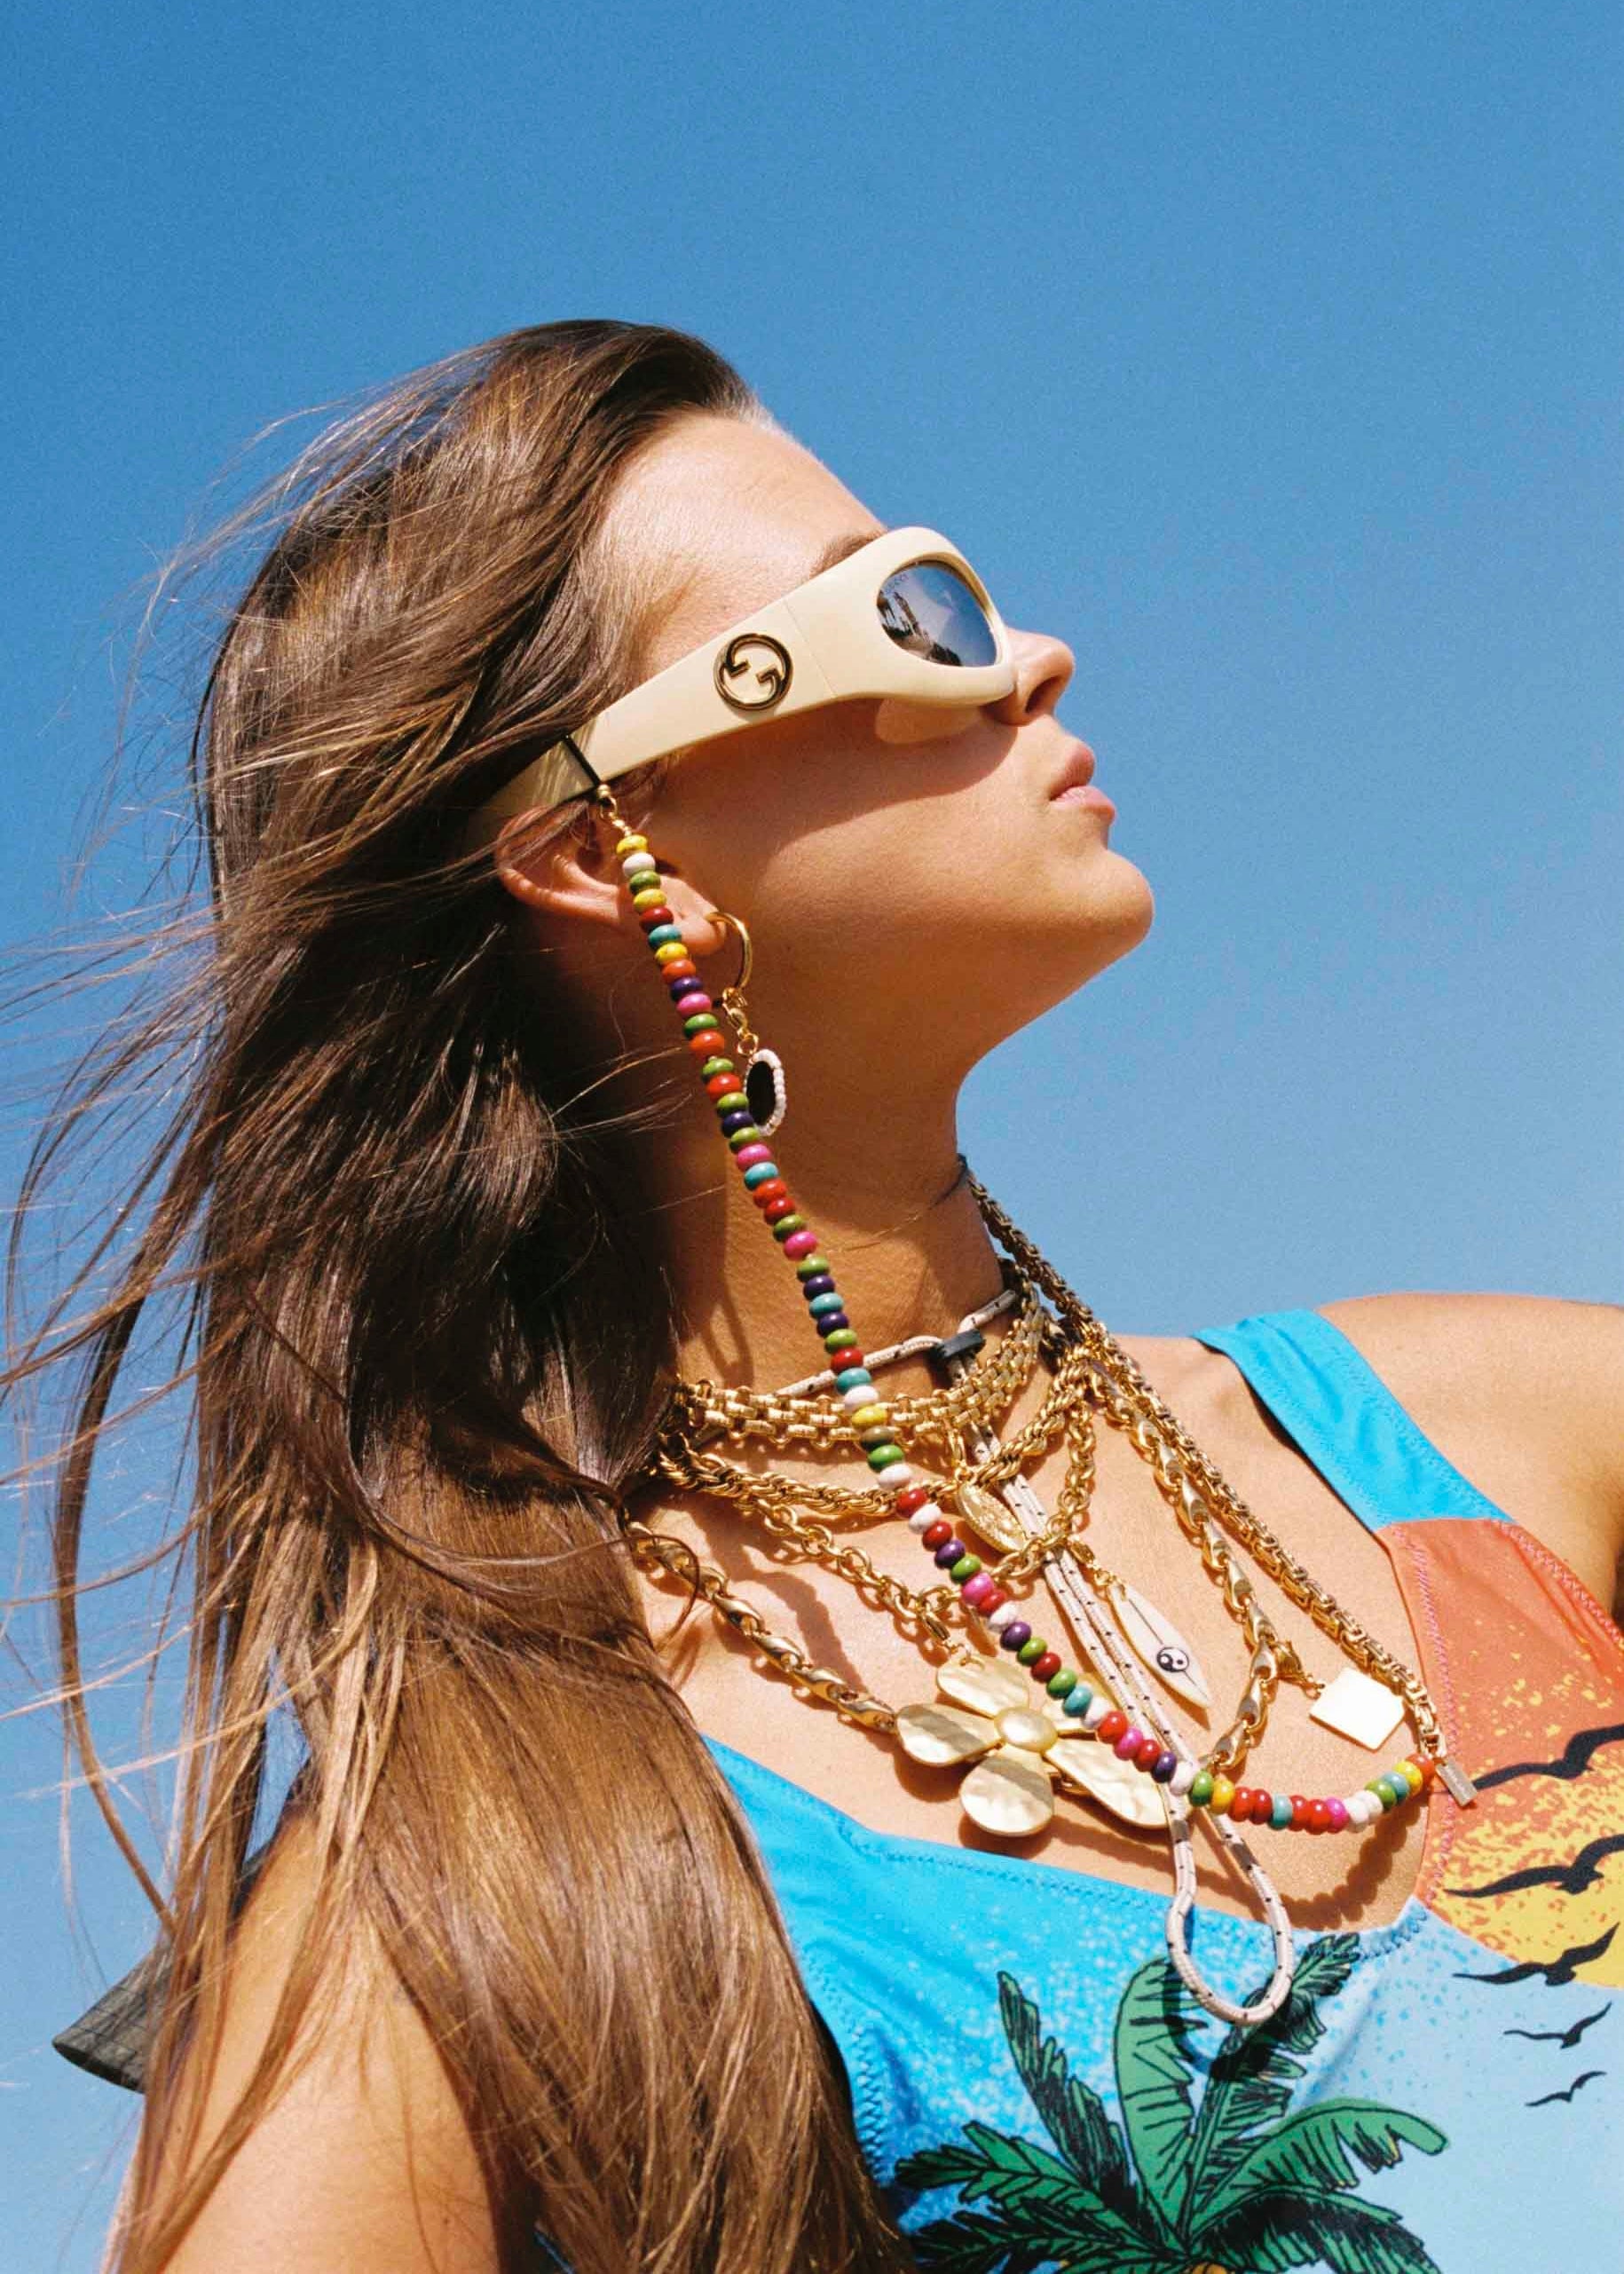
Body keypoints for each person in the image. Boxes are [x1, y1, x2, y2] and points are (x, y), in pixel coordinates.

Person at [22, 319, 1623, 2274]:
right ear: (601, 856)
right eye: (908, 614)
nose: (1030, 657)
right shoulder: (484, 1869)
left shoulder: (1503, 1437)